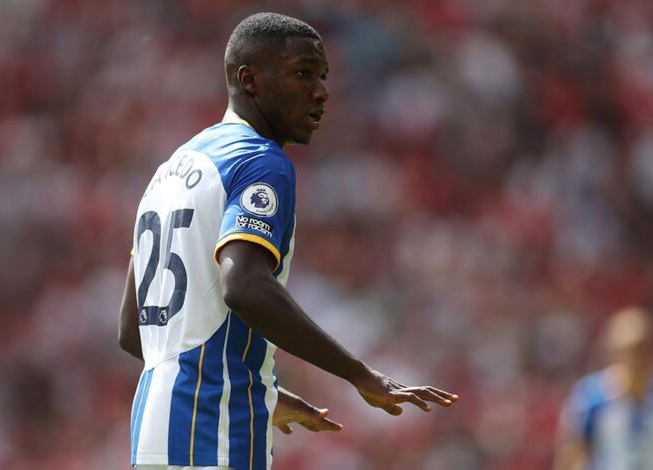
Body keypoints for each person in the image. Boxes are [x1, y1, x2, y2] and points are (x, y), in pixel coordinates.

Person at [117, 12, 459, 470]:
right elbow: (244, 286)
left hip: (152, 432)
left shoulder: (168, 172)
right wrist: (359, 375)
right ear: (249, 80)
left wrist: (264, 390)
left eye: (323, 77)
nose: (321, 91)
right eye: (303, 74)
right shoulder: (259, 161)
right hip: (215, 431)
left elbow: (133, 332)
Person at [553, 306, 653, 470]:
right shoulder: (590, 397)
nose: (636, 360)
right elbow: (570, 455)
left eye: (643, 350)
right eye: (629, 351)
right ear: (613, 352)